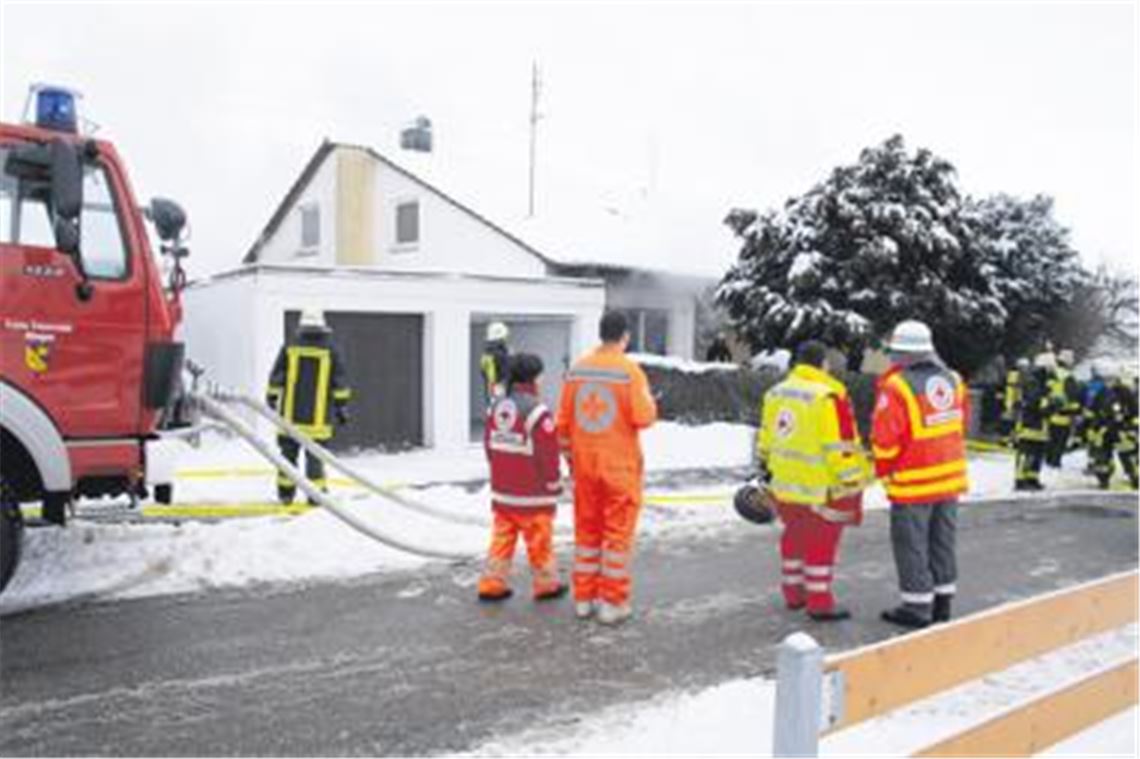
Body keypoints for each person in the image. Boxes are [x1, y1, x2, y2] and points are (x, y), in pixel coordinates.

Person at [757, 340, 871, 621]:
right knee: (822, 541)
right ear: (823, 364)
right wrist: (854, 479)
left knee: (793, 536)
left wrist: (767, 471)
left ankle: (793, 592)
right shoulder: (830, 396)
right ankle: (819, 601)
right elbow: (840, 446)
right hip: (819, 487)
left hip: (784, 484)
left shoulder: (776, 393)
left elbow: (765, 440)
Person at [556, 311, 658, 625]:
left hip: (585, 465)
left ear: (600, 334)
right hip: (619, 467)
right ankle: (613, 603)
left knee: (587, 531)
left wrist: (571, 459)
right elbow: (644, 417)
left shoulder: (577, 371)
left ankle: (584, 598)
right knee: (616, 537)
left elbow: (562, 423)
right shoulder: (630, 371)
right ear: (625, 336)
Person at [872, 320, 969, 629]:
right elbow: (959, 422)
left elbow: (886, 440)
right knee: (942, 540)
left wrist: (884, 472)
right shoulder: (953, 380)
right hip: (949, 478)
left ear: (900, 353)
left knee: (911, 544)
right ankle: (942, 602)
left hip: (914, 482)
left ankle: (916, 608)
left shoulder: (896, 386)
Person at [477, 353, 568, 602]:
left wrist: (500, 473)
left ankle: (491, 584)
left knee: (501, 541)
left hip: (504, 493)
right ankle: (546, 585)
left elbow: (489, 447)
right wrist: (554, 485)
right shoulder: (537, 412)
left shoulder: (496, 407)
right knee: (539, 543)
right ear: (533, 378)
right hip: (533, 496)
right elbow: (548, 454)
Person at [266, 309, 351, 505]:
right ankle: (315, 497)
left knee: (287, 457)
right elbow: (340, 382)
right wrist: (342, 407)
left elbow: (277, 374)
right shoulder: (331, 350)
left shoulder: (290, 346)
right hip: (318, 419)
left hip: (290, 418)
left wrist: (271, 396)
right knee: (315, 459)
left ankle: (285, 495)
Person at [1087, 366, 1139, 490]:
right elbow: (1135, 413)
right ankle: (1135, 478)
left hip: (1103, 430)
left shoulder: (1103, 392)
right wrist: (1133, 427)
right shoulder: (1126, 393)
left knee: (1103, 456)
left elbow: (1092, 411)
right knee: (1129, 454)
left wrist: (1093, 428)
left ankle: (1103, 480)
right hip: (1120, 431)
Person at [1014, 353, 1057, 491]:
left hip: (1040, 426)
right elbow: (1034, 404)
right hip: (1030, 424)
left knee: (1037, 454)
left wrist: (1052, 405)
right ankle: (1020, 479)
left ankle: (1032, 478)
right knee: (1026, 453)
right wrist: (1049, 406)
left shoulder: (1044, 382)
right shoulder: (1034, 382)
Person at [1045, 349, 1082, 467]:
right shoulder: (1068, 377)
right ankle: (1055, 462)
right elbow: (1073, 396)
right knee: (1060, 440)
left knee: (1051, 438)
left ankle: (1049, 459)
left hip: (1050, 411)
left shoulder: (1051, 373)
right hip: (1064, 413)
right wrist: (1076, 410)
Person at [480, 322, 511, 405]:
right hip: (500, 393)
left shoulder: (486, 353)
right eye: (505, 336)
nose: (506, 339)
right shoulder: (500, 355)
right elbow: (505, 375)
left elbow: (484, 373)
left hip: (490, 393)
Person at [999, 357, 1029, 444]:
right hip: (1015, 401)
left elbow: (1003, 386)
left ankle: (1008, 438)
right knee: (1015, 421)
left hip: (1009, 401)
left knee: (1010, 421)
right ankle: (1013, 438)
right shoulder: (1023, 376)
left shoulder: (1010, 374)